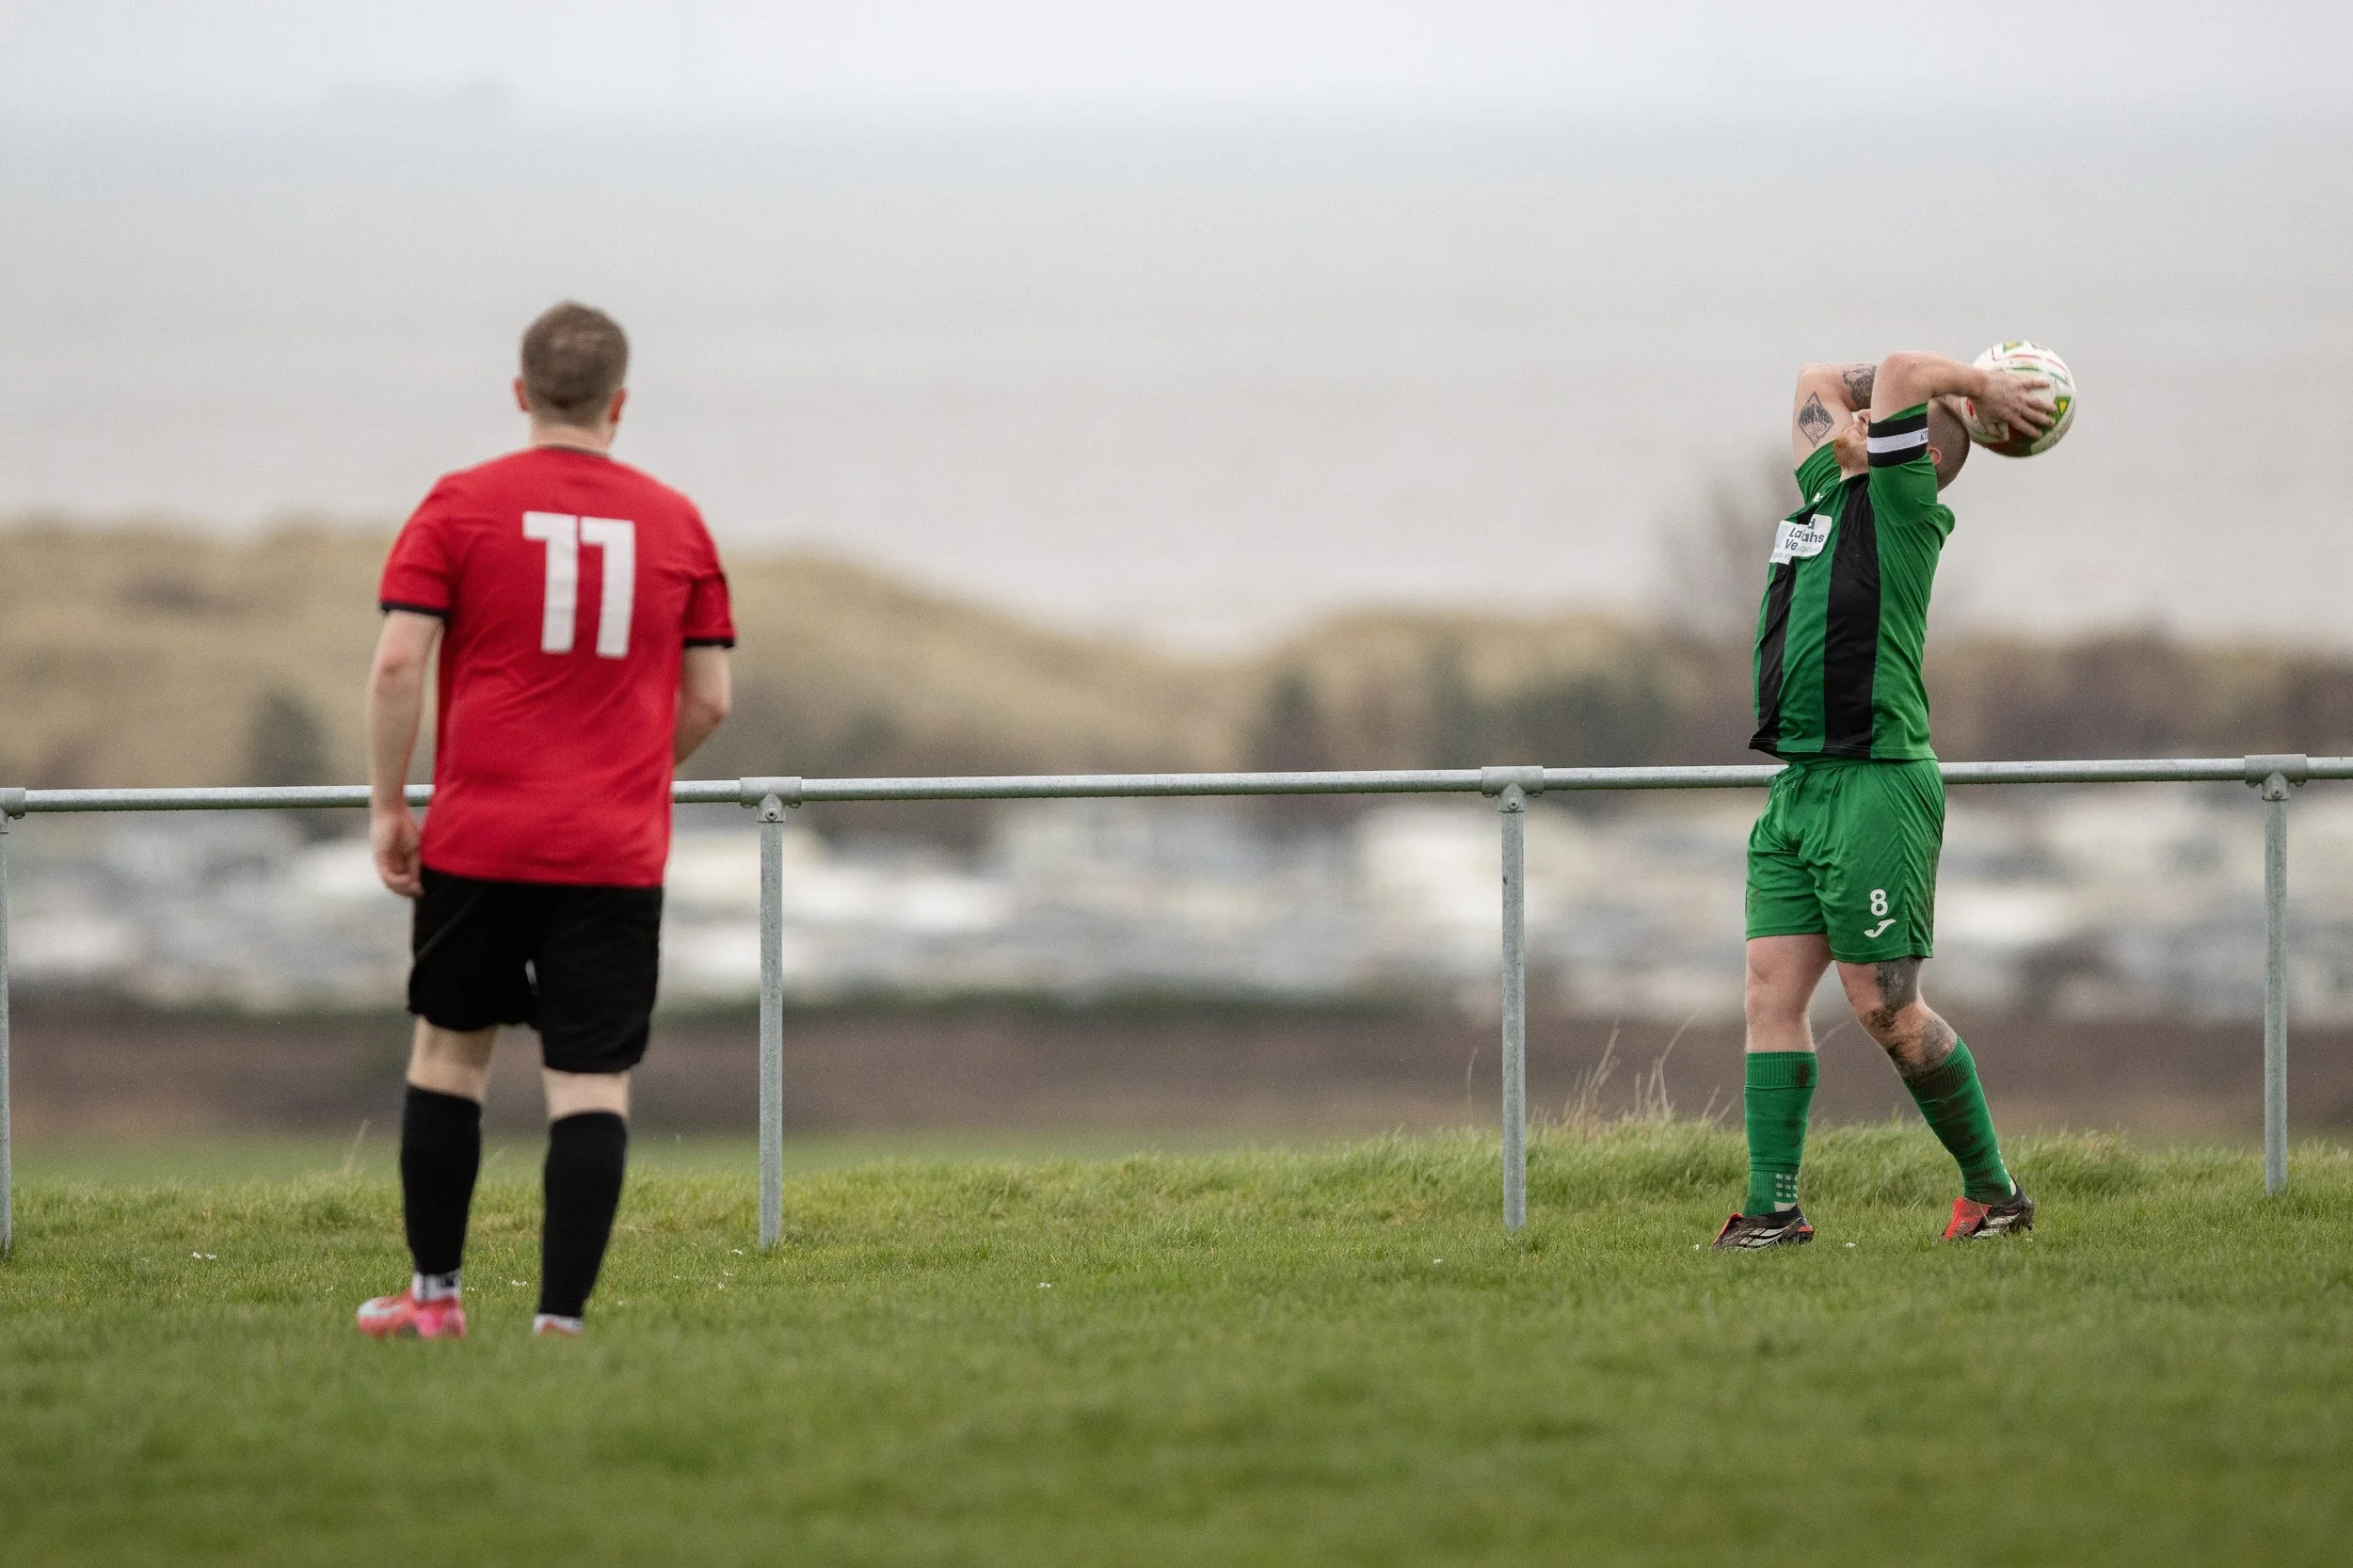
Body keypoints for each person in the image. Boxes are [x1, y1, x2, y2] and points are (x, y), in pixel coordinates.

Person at [356, 301, 734, 1336]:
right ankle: (560, 1325)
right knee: (590, 1080)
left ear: (522, 394)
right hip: (612, 850)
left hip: (479, 840)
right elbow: (709, 701)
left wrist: (391, 804)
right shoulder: (678, 521)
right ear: (620, 404)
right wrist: (625, 773)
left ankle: (433, 1302)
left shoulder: (459, 504)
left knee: (448, 1055)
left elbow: (397, 660)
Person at [1714, 351, 2056, 1250]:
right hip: (1800, 788)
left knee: (1885, 1009)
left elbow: (1903, 367)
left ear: (1922, 453)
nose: (1856, 423)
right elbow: (1813, 378)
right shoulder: (1830, 491)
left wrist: (1975, 390)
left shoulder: (1905, 506)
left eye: (1882, 422)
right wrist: (1874, 391)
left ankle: (1995, 1196)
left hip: (1877, 785)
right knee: (1768, 996)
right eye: (1862, 419)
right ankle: (1772, 1213)